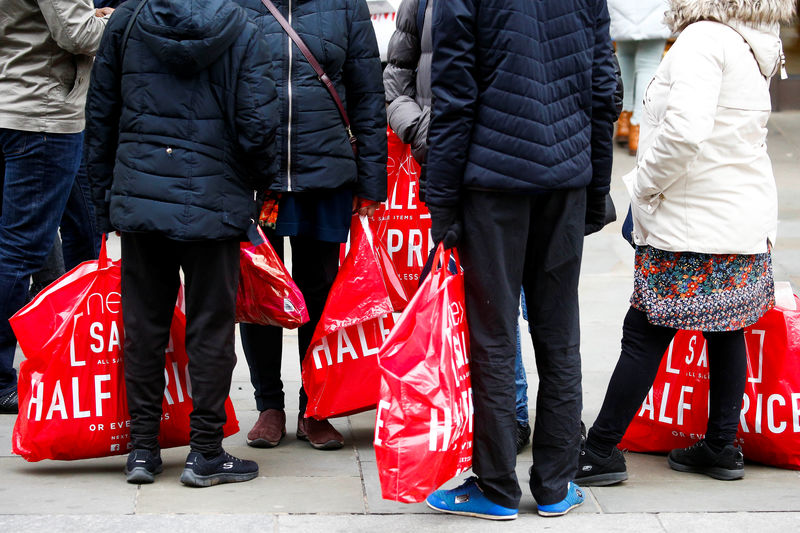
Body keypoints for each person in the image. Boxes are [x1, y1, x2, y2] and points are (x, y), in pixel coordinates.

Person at [577, 0, 795, 486]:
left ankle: (599, 450)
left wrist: (643, 185)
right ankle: (720, 446)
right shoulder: (750, 41)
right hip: (739, 216)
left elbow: (683, 133)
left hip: (693, 217)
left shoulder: (703, 40)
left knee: (646, 328)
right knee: (726, 327)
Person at [422, 0, 618, 520]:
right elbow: (604, 89)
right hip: (565, 177)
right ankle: (556, 484)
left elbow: (454, 97)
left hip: (494, 185)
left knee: (493, 336)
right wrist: (596, 188)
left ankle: (496, 485)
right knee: (559, 335)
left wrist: (440, 200)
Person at [85, 0, 279, 487]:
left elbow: (101, 111)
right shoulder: (242, 25)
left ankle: (143, 451)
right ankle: (206, 452)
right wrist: (256, 186)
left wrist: (104, 196)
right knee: (211, 328)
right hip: (215, 198)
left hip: (141, 195)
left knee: (143, 326)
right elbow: (258, 125)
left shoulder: (127, 19)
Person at [233, 0, 387, 451]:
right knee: (258, 291)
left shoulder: (344, 4)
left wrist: (372, 182)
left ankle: (314, 406)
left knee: (319, 290)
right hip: (255, 175)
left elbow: (366, 93)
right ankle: (269, 406)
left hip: (325, 172)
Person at [383, 0, 533, 454]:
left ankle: (513, 411)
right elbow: (396, 77)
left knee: (506, 302)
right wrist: (423, 130)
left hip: (508, 167)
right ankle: (471, 410)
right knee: (463, 299)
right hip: (446, 167)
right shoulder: (420, 4)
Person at [0, 0, 111, 415]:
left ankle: (79, 344)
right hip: (41, 114)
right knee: (20, 250)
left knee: (86, 223)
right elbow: (78, 35)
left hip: (24, 103)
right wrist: (119, 20)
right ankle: (0, 379)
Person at [608, 0, 670, 155]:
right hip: (654, 8)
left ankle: (623, 122)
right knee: (648, 65)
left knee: (624, 57)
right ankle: (638, 129)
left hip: (621, 7)